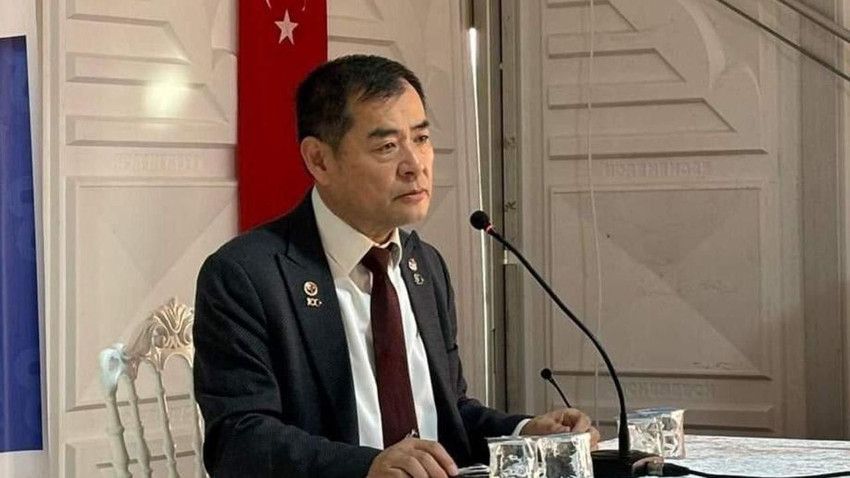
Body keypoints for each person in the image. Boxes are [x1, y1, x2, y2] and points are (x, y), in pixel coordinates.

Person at [193, 54, 599, 478]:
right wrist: (367, 468)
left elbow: (447, 413)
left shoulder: (425, 265)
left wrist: (524, 432)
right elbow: (239, 441)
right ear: (319, 160)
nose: (415, 165)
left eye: (421, 138)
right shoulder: (247, 275)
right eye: (387, 147)